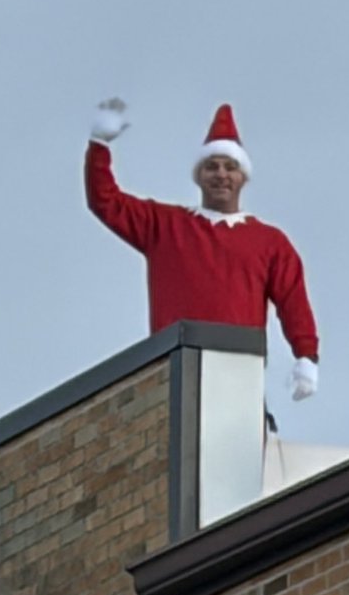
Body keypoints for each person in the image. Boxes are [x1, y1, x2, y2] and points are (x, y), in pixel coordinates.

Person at [84, 98, 319, 400]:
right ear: (200, 175)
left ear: (242, 177)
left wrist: (306, 356)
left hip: (239, 371)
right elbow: (105, 201)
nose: (221, 174)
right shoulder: (165, 226)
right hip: (173, 370)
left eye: (230, 167)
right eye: (212, 166)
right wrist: (99, 145)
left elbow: (293, 301)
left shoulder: (269, 242)